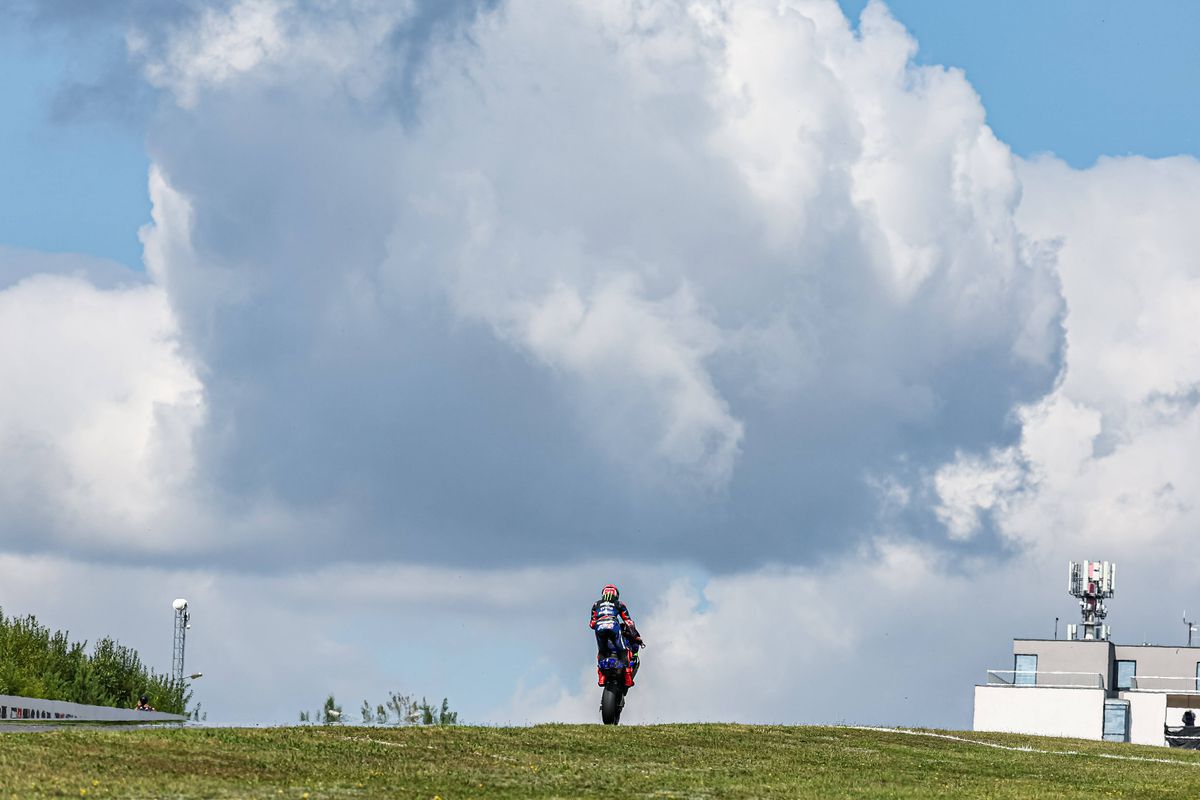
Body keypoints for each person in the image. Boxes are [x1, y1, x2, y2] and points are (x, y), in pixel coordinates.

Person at [589, 584, 644, 687]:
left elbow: (592, 624)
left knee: (602, 651)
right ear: (616, 595)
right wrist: (635, 635)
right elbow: (628, 621)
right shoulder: (619, 604)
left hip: (599, 627)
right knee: (623, 650)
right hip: (613, 625)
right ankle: (628, 678)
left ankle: (601, 677)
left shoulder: (596, 604)